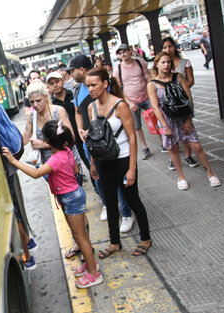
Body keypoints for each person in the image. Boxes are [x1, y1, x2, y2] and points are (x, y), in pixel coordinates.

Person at [2, 120, 103, 288]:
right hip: (73, 195)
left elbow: (35, 173)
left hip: (70, 198)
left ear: (48, 142)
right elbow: (76, 171)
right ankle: (91, 263)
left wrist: (13, 161)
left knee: (79, 236)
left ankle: (94, 273)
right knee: (81, 234)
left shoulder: (56, 159)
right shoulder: (67, 151)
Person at [85, 67, 153, 258]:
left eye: (94, 84)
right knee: (110, 202)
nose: (90, 89)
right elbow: (94, 138)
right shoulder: (92, 107)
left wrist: (132, 169)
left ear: (105, 84)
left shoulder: (120, 105)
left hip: (123, 160)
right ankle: (114, 242)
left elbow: (132, 137)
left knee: (132, 200)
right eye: (88, 85)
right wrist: (92, 163)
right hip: (103, 162)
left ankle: (145, 238)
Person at [69, 55, 134, 232]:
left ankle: (127, 213)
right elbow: (78, 112)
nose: (91, 88)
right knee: (99, 178)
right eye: (89, 86)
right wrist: (82, 129)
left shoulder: (103, 90)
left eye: (72, 70)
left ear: (82, 70)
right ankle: (107, 204)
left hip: (112, 145)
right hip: (91, 144)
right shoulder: (76, 91)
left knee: (120, 182)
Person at [147, 52, 221, 190]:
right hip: (166, 121)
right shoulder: (152, 84)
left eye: (168, 62)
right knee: (173, 149)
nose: (166, 65)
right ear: (156, 64)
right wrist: (165, 126)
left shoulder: (178, 77)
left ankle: (210, 173)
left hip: (183, 118)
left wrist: (188, 119)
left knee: (197, 146)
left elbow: (188, 98)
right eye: (163, 62)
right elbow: (155, 107)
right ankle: (181, 177)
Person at [0, 94, 37, 271]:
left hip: (5, 163)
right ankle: (29, 242)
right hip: (9, 161)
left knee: (14, 212)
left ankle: (28, 257)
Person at [113, 43, 160, 159]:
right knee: (137, 126)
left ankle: (163, 143)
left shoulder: (140, 62)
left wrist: (152, 93)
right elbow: (118, 89)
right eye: (120, 53)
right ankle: (145, 147)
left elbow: (147, 78)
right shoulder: (117, 69)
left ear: (130, 51)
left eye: (124, 51)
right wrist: (129, 102)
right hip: (132, 101)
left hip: (147, 97)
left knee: (156, 120)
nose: (122, 54)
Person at [161, 37, 199, 170]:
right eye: (165, 47)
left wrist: (179, 90)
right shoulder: (162, 64)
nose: (168, 49)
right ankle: (173, 158)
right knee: (169, 131)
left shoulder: (184, 62)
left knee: (187, 128)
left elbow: (191, 80)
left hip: (183, 102)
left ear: (174, 47)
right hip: (168, 105)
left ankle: (188, 155)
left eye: (170, 46)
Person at [46, 71, 90, 174]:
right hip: (66, 142)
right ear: (48, 86)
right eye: (51, 83)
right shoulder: (51, 105)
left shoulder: (73, 94)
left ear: (62, 81)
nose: (55, 85)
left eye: (57, 81)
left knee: (90, 163)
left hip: (82, 134)